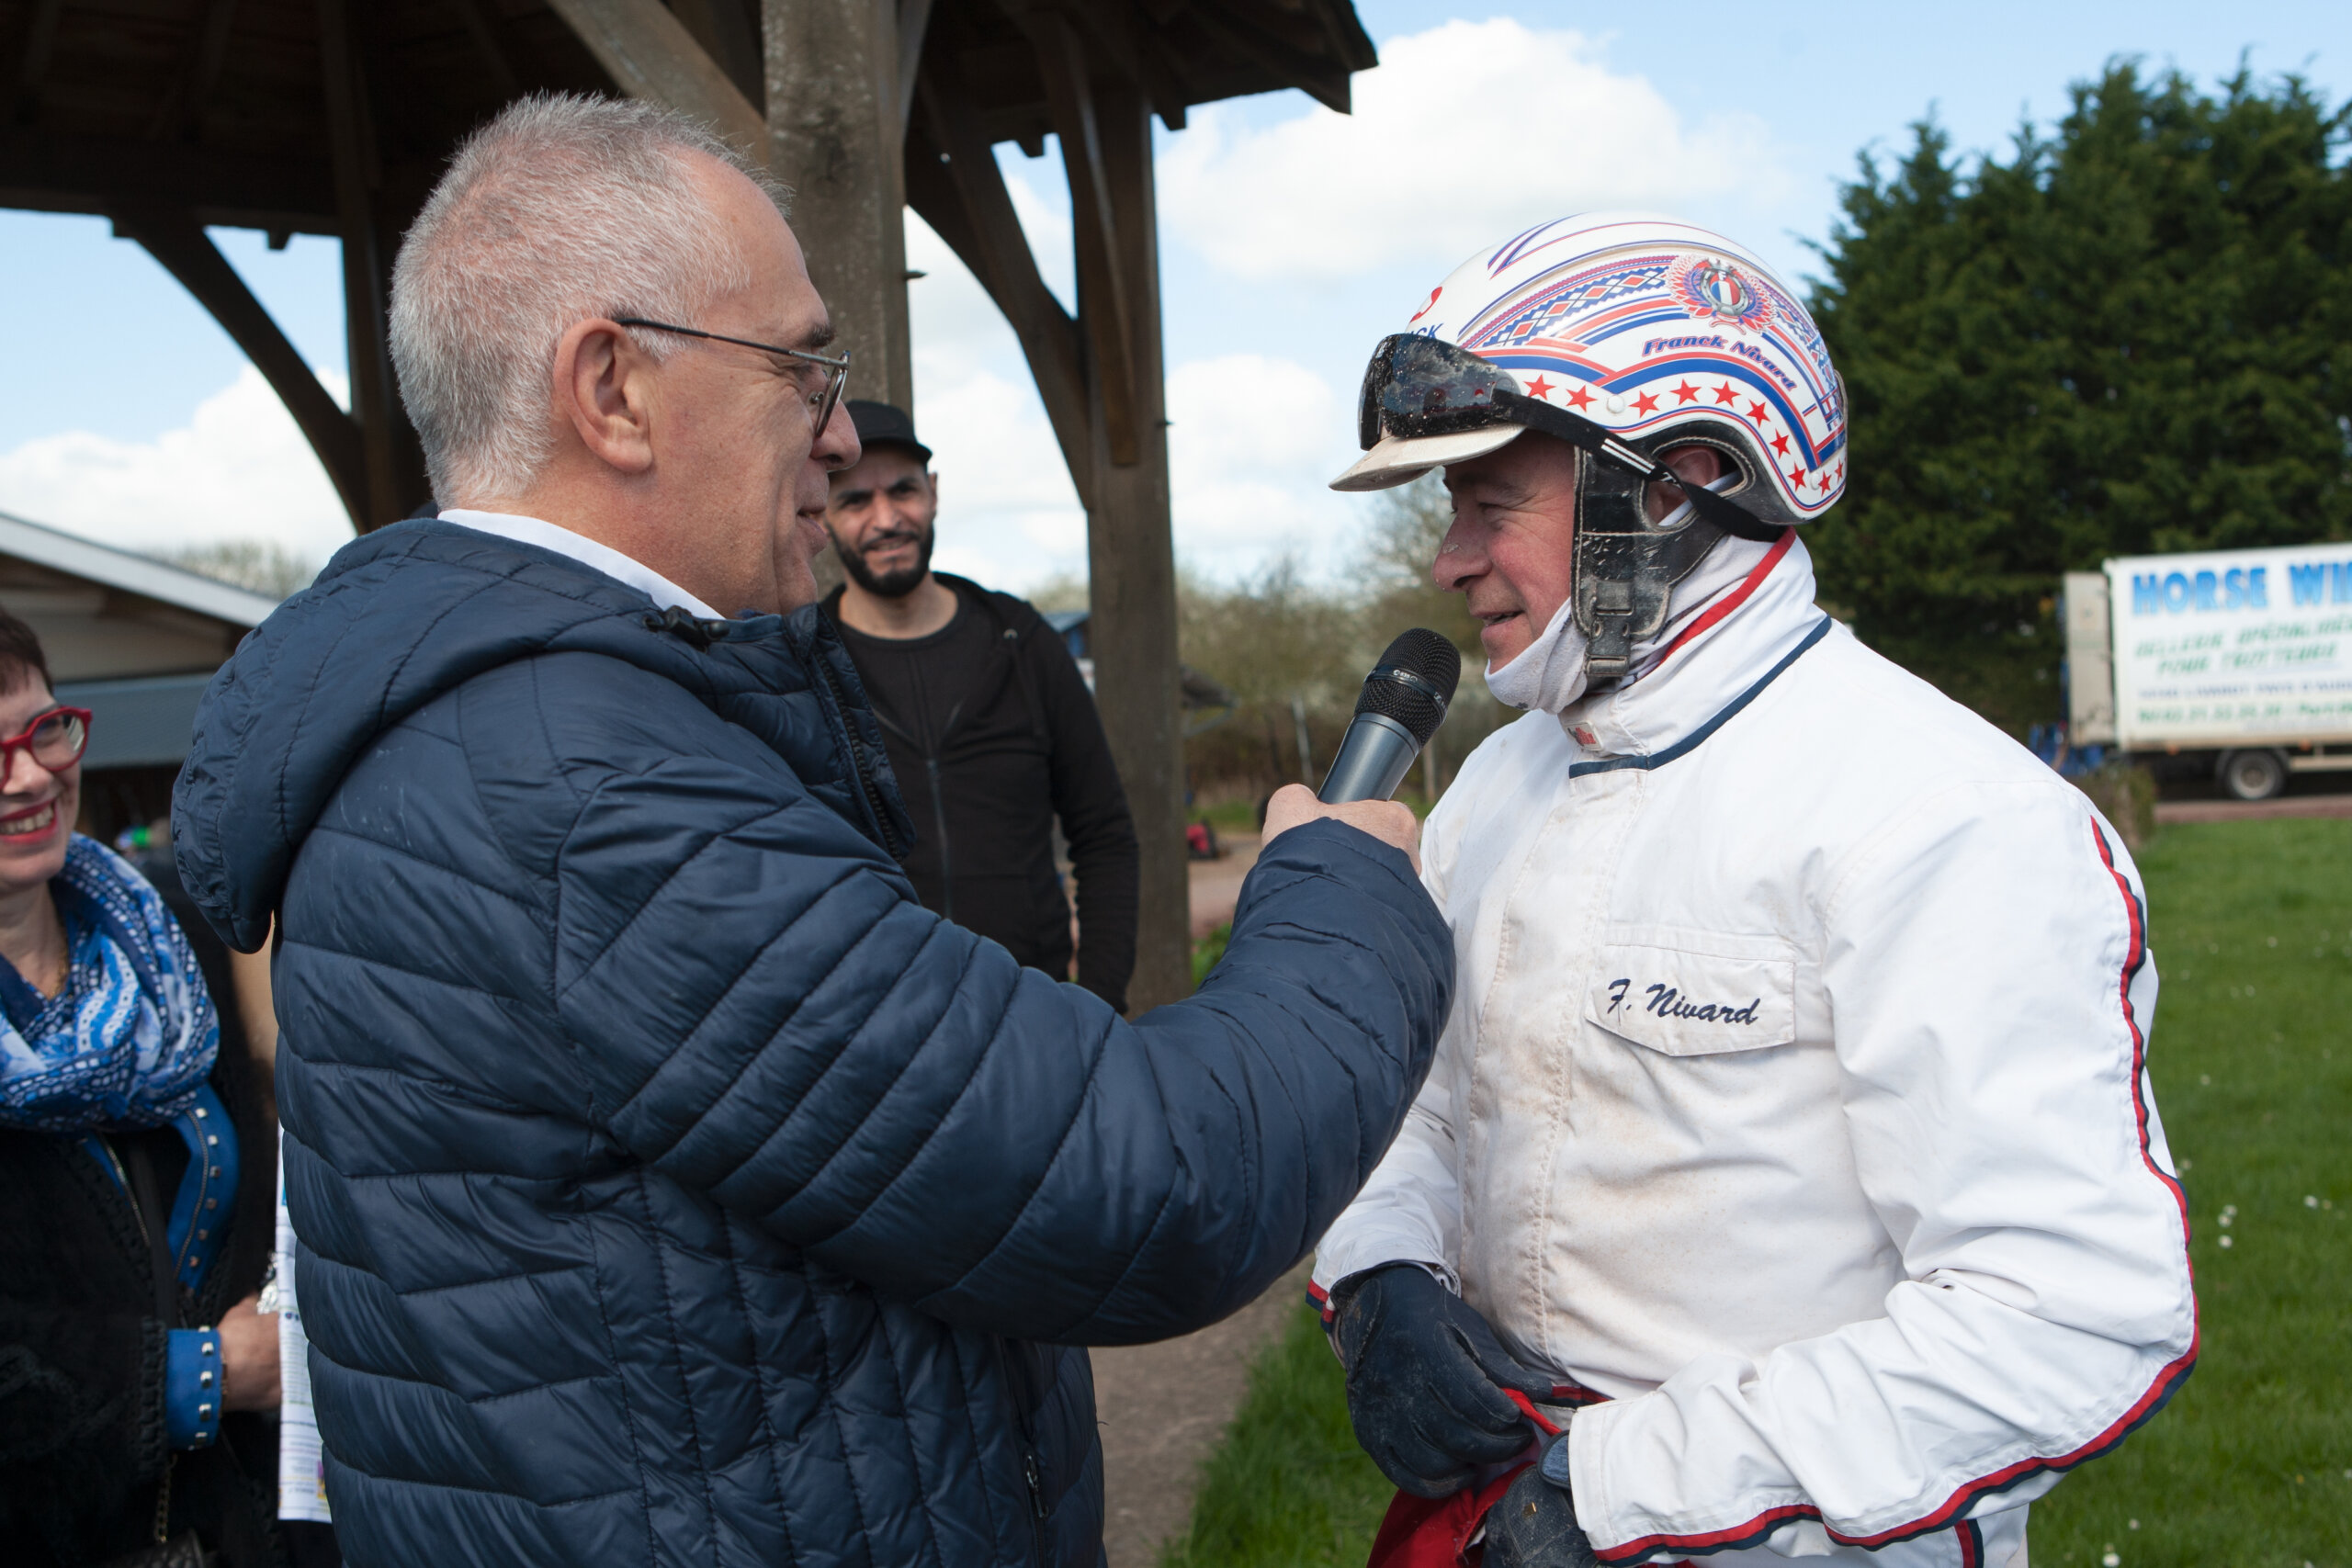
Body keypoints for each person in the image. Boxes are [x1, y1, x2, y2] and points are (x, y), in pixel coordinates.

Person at [169, 95, 1452, 1568]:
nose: (842, 438)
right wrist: (1344, 891)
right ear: (614, 389)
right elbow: (1151, 1184)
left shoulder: (512, 727)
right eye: (802, 369)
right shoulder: (579, 788)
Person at [1309, 214, 2196, 1568]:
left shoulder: (1946, 815)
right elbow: (1421, 1099)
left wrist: (1608, 1489)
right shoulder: (1489, 784)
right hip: (1493, 1507)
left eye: (1491, 504)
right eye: (1450, 512)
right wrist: (1382, 1267)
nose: (1448, 559)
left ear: (1677, 487)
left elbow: (2067, 1313)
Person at [0, 609, 287, 1566]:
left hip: (236, 1525)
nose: (31, 776)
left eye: (46, 730)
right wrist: (204, 1373)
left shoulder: (170, 942)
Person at [820, 400, 1138, 1009]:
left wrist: (1099, 1003)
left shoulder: (1022, 642)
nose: (886, 518)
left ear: (934, 493)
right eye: (855, 500)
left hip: (1029, 1010)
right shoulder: (804, 666)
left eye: (903, 490)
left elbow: (1104, 835)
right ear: (824, 515)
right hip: (874, 1024)